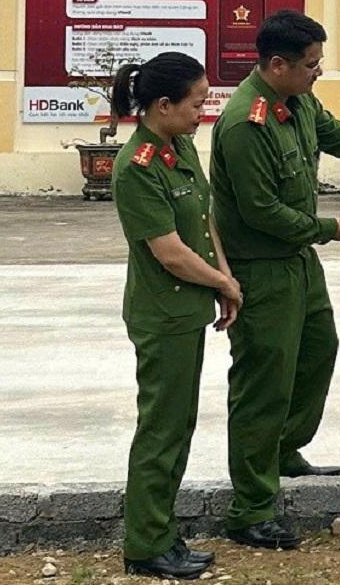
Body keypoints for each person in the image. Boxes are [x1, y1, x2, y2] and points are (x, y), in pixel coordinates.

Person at [210, 9, 340, 550]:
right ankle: (249, 509)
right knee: (262, 385)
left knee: (318, 352)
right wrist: (328, 227)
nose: (317, 73)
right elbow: (260, 212)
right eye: (311, 65)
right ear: (278, 65)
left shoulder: (296, 101)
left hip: (299, 262)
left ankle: (284, 449)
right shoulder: (244, 124)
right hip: (261, 268)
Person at [111, 52, 242, 580]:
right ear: (162, 106)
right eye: (194, 102)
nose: (202, 110)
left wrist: (224, 281)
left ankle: (163, 532)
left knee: (179, 425)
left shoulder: (178, 145)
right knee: (161, 430)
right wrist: (223, 283)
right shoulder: (136, 167)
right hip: (162, 315)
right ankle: (145, 545)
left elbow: (203, 223)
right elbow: (169, 251)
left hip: (188, 309)